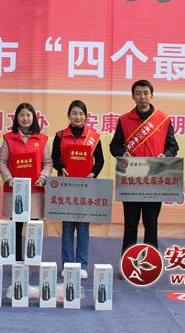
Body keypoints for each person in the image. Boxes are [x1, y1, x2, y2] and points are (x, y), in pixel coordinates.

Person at [109, 80, 179, 254]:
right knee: (130, 226)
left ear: (152, 95)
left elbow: (173, 146)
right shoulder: (124, 120)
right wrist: (123, 153)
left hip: (154, 179)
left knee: (151, 225)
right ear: (133, 97)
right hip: (131, 179)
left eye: (146, 93)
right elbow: (114, 146)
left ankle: (151, 263)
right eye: (138, 93)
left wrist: (166, 156)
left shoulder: (163, 120)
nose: (142, 97)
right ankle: (128, 263)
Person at [51, 100, 104, 279]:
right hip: (66, 186)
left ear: (86, 116)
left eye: (81, 113)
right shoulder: (60, 135)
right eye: (74, 113)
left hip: (86, 187)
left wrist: (93, 173)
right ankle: (67, 265)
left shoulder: (93, 136)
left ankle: (81, 265)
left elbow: (100, 161)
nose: (78, 117)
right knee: (67, 226)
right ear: (69, 115)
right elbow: (54, 158)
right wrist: (61, 168)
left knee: (83, 227)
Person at [0, 103, 53, 261]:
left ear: (33, 117)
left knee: (32, 228)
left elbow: (48, 162)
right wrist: (9, 179)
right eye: (21, 115)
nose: (25, 118)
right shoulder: (8, 138)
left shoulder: (42, 139)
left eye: (28, 115)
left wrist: (43, 177)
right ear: (16, 118)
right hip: (14, 190)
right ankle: (16, 261)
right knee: (15, 227)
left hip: (35, 190)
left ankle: (30, 261)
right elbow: (2, 161)